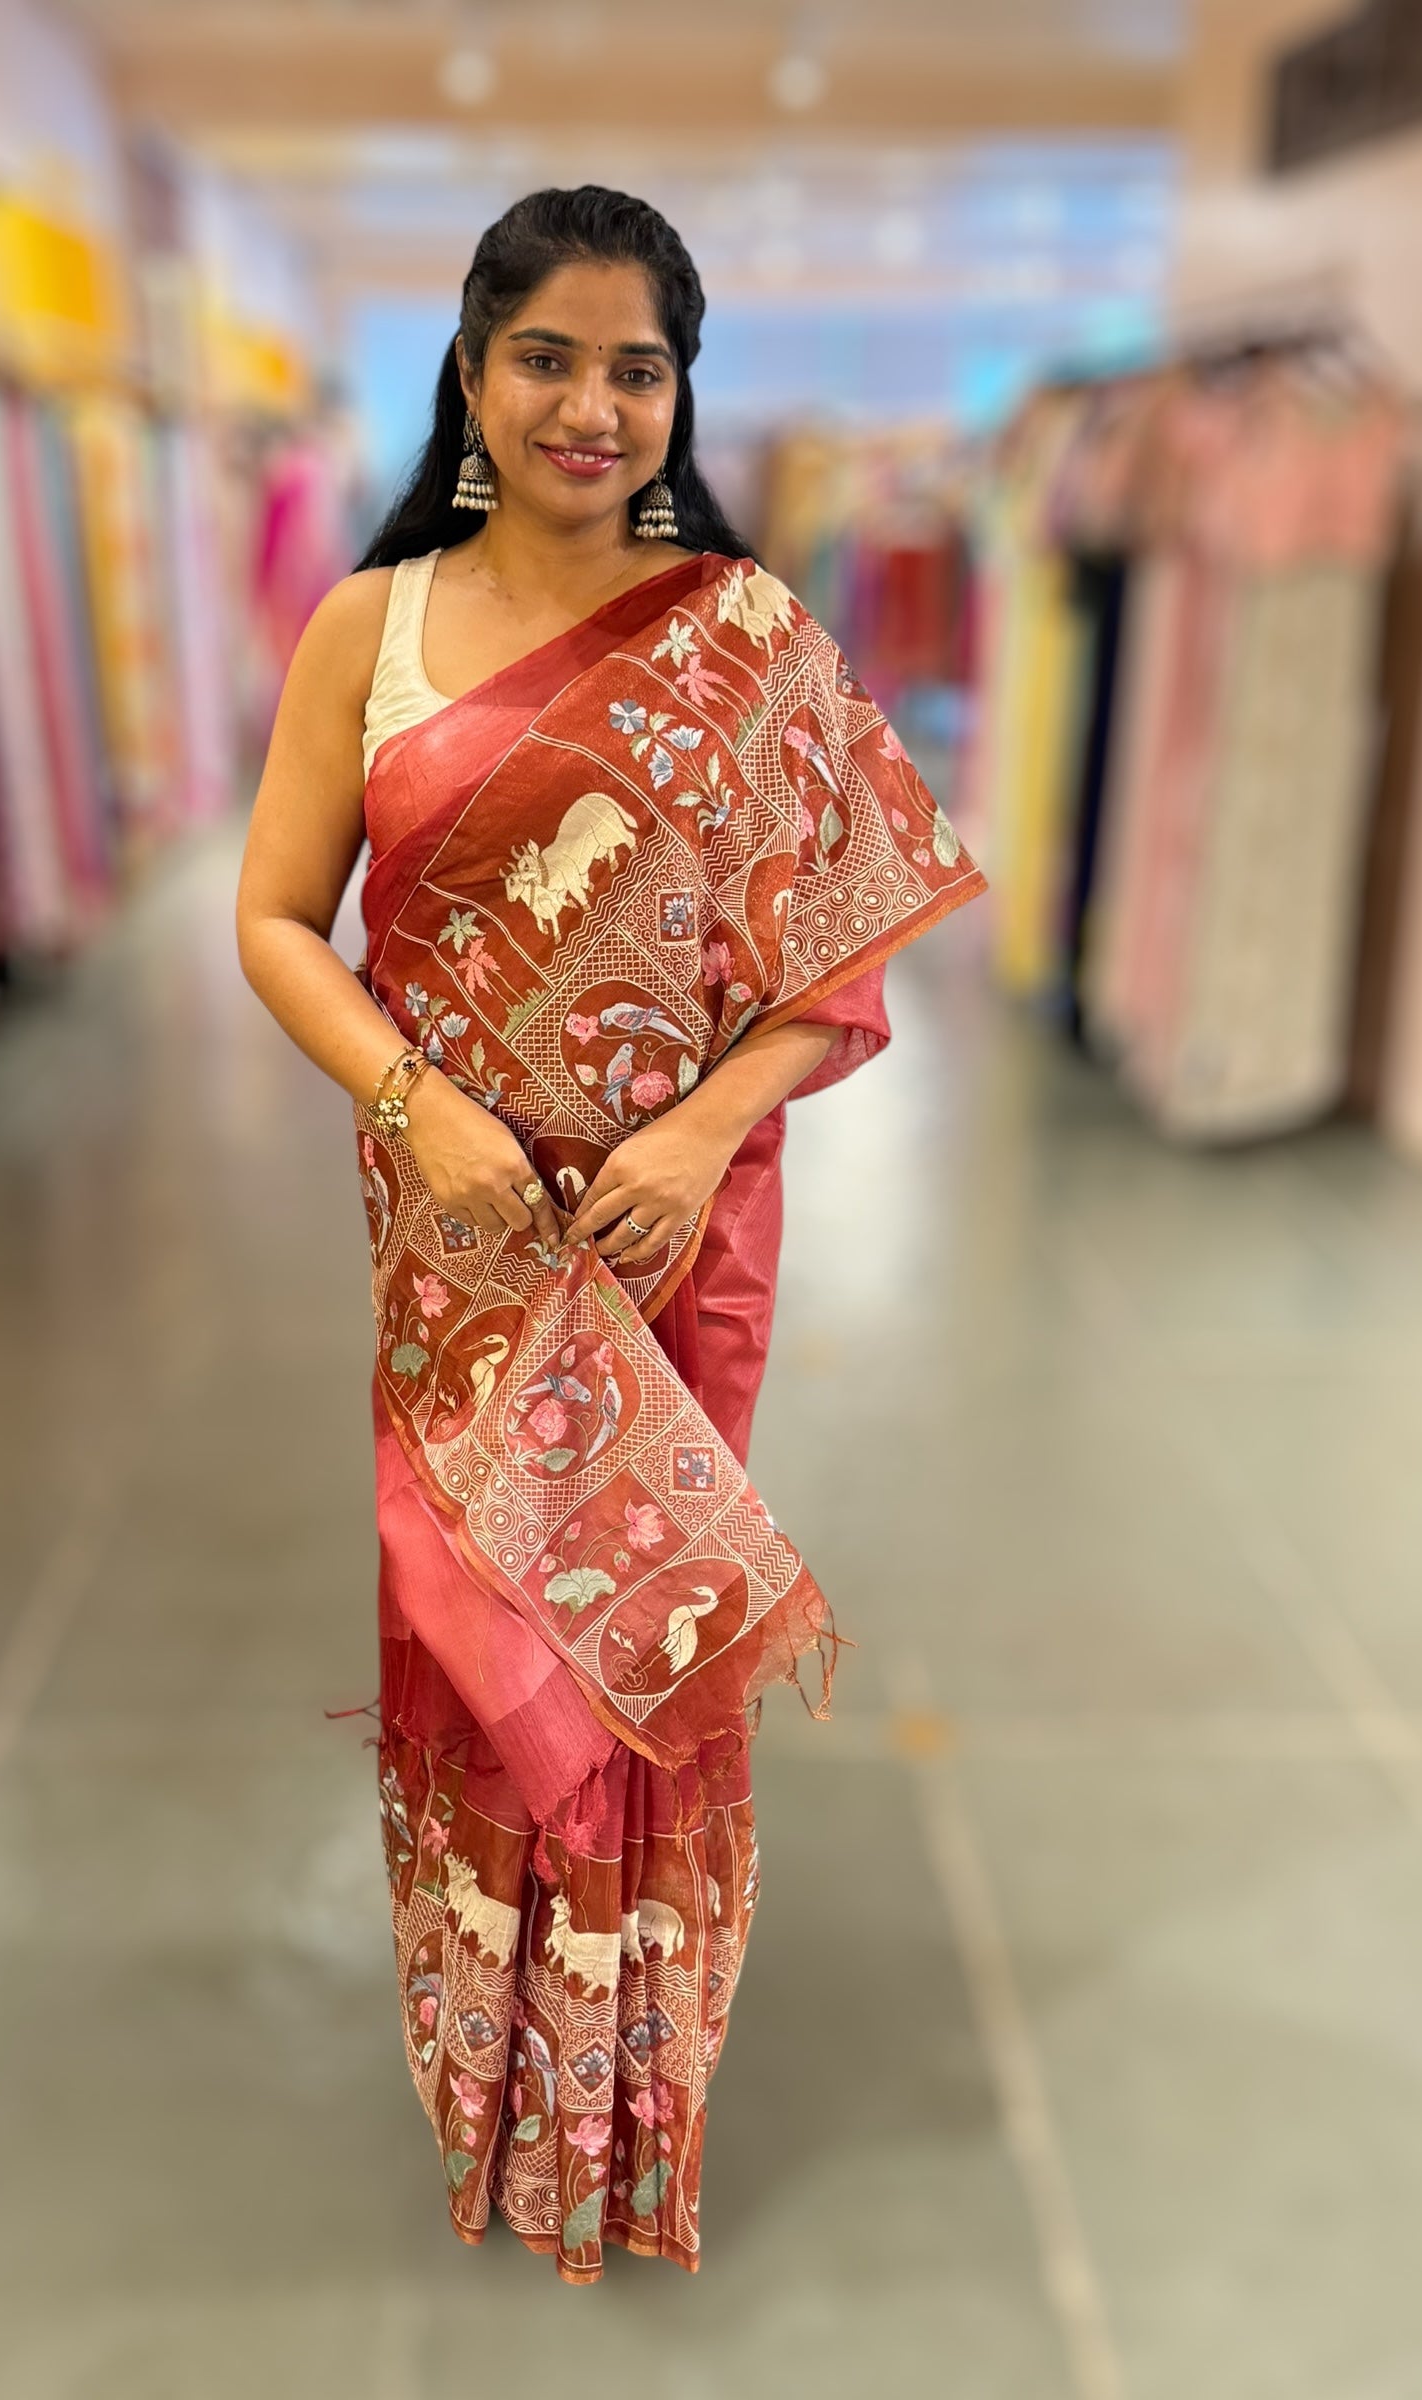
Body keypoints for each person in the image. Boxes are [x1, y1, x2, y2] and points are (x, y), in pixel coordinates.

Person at [236, 185, 985, 2283]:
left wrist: (702, 1133)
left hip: (673, 1248)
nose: (590, 404)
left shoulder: (744, 636)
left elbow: (840, 968)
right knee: (472, 1636)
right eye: (547, 358)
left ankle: (630, 2095)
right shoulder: (369, 628)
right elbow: (276, 919)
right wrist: (421, 1105)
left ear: (680, 393)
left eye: (635, 367)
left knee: (640, 1640)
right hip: (457, 1248)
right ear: (473, 373)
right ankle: (488, 2074)